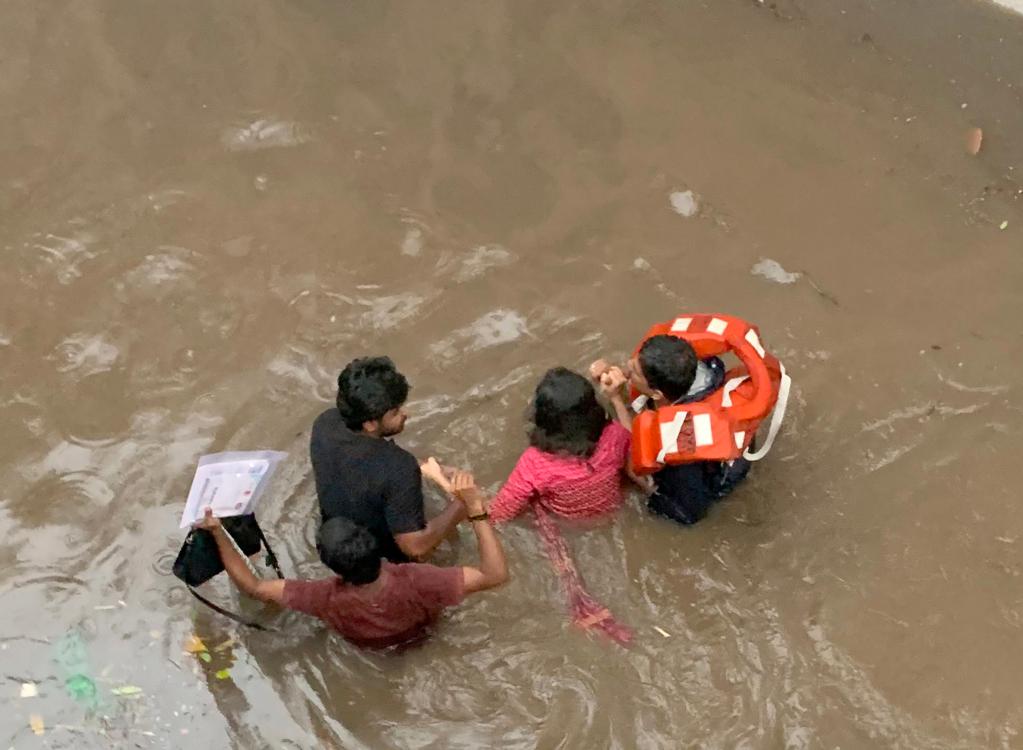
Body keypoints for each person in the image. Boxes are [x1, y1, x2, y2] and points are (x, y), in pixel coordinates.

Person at [192, 470, 508, 648]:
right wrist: (475, 510)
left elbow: (254, 587)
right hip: (426, 636)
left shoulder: (323, 596)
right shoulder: (419, 579)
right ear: (376, 547)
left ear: (332, 567)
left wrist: (218, 532)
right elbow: (495, 575)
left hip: (369, 650)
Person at [477, 367, 638, 644]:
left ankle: (582, 609)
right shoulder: (614, 436)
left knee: (542, 519)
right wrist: (617, 399)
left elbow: (501, 514)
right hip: (610, 511)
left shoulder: (536, 463)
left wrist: (471, 503)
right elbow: (632, 445)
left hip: (565, 523)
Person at [310, 356, 465, 562]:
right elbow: (414, 546)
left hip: (335, 537)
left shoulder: (326, 423)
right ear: (370, 424)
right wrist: (462, 505)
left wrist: (422, 467)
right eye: (395, 412)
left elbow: (369, 462)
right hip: (379, 561)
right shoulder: (399, 468)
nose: (405, 414)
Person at [591, 334, 751, 526]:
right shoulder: (697, 372)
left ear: (657, 394)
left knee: (629, 466)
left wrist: (617, 400)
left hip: (698, 489)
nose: (626, 367)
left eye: (633, 372)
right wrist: (612, 374)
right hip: (725, 437)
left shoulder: (683, 440)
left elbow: (690, 513)